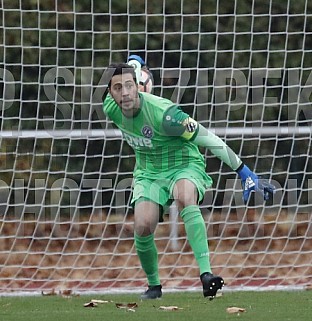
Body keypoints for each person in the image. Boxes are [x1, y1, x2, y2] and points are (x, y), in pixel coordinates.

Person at [102, 62, 275, 300]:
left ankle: (206, 275)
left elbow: (207, 137)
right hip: (149, 172)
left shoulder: (167, 115)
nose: (125, 93)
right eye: (118, 88)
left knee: (185, 196)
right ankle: (154, 287)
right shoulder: (110, 108)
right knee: (143, 225)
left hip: (184, 164)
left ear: (139, 88)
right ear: (110, 93)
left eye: (129, 86)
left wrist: (243, 170)